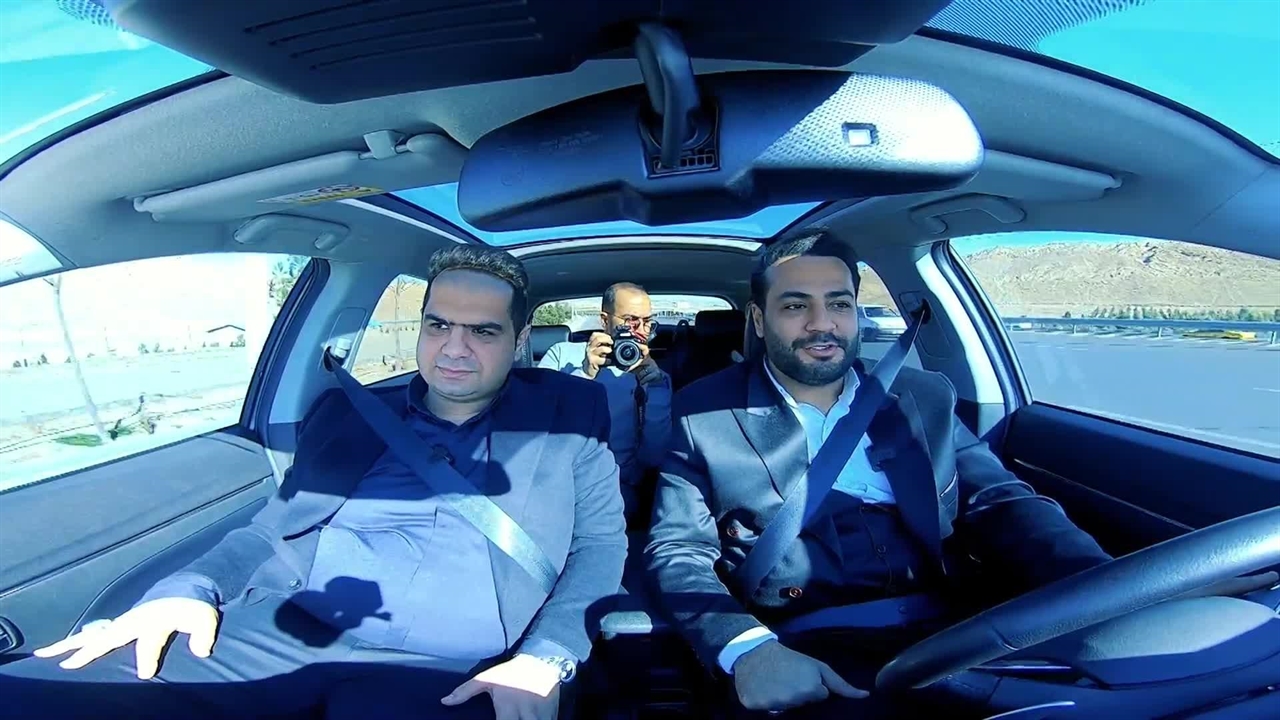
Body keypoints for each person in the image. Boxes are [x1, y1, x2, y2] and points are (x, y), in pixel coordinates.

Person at [1, 245, 628, 720]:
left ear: (520, 340)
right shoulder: (350, 413)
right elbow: (272, 528)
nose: (453, 349)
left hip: (460, 667)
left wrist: (547, 655)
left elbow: (599, 547)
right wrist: (188, 588)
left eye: (483, 331)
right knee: (35, 691)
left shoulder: (571, 413)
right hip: (291, 629)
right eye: (438, 325)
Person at [643, 231, 1112, 717]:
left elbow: (1005, 503)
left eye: (839, 304)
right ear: (760, 320)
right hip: (802, 646)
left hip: (955, 634)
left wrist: (1103, 586)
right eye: (796, 306)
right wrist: (746, 648)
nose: (822, 323)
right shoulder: (702, 414)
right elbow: (678, 549)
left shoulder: (922, 397)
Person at [539, 283, 672, 519]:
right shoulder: (562, 355)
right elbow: (534, 427)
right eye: (630, 321)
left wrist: (655, 390)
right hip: (560, 481)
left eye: (647, 322)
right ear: (604, 320)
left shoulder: (653, 376)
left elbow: (654, 456)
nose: (640, 331)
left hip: (621, 488)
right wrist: (584, 374)